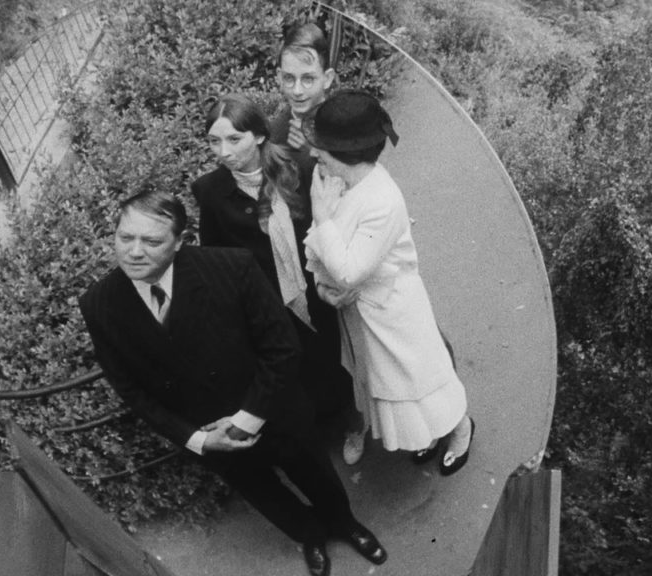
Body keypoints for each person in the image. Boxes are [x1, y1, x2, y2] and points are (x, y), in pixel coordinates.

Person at [79, 188, 386, 576]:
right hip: (207, 435)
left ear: (179, 243)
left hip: (275, 411)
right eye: (125, 237)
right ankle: (309, 534)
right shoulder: (98, 305)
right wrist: (200, 440)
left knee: (315, 473)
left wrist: (246, 419)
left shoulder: (231, 268)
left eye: (151, 241)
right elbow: (131, 389)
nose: (134, 251)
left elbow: (282, 348)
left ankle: (344, 523)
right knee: (265, 495)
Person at [302, 90, 475, 476]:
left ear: (344, 154)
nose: (315, 155)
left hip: (393, 309)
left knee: (420, 378)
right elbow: (327, 258)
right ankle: (428, 433)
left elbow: (349, 270)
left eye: (322, 149)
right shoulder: (335, 180)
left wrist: (323, 217)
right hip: (364, 311)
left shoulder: (382, 200)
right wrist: (323, 287)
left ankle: (460, 428)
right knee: (395, 386)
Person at [191, 94, 354, 434]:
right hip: (273, 305)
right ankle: (330, 421)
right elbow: (217, 258)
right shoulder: (210, 191)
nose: (223, 152)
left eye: (234, 139)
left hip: (320, 287)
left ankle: (355, 419)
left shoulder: (297, 168)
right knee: (304, 365)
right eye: (214, 141)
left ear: (260, 135)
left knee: (342, 355)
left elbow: (335, 224)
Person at [270, 21, 335, 169]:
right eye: (289, 78)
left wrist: (314, 150)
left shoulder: (348, 124)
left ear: (327, 79)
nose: (297, 91)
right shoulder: (275, 135)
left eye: (308, 79)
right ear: (279, 77)